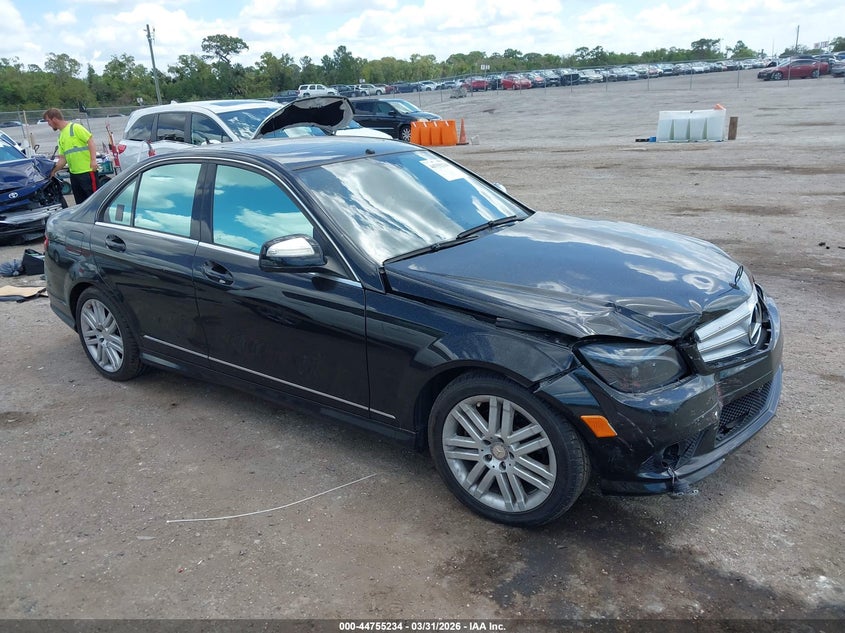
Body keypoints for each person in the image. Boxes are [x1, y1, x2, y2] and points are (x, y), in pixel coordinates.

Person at [43, 108, 99, 204]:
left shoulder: (75, 127)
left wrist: (93, 160)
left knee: (94, 202)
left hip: (87, 172)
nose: (48, 124)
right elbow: (63, 159)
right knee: (81, 204)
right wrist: (53, 171)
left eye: (48, 121)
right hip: (74, 175)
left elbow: (90, 141)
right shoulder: (61, 136)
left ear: (54, 119)